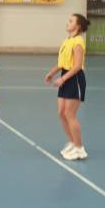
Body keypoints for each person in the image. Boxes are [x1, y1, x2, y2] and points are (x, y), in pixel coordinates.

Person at [45, 14, 90, 161]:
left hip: (74, 78)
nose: (68, 23)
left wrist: (63, 79)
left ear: (77, 26)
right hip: (65, 75)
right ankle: (72, 142)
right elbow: (62, 63)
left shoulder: (78, 42)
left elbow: (77, 66)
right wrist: (52, 73)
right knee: (61, 113)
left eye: (71, 21)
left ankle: (80, 149)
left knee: (70, 114)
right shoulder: (67, 41)